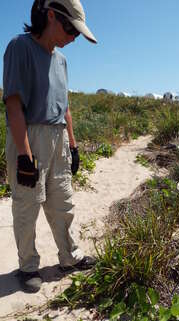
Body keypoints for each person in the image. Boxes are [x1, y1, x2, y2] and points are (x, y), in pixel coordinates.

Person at [3, 0, 98, 293]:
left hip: (58, 140)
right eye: (71, 29)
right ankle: (28, 266)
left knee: (63, 202)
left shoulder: (61, 60)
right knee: (27, 206)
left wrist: (73, 144)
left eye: (77, 33)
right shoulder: (20, 47)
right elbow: (14, 105)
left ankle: (70, 256)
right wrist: (24, 154)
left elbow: (65, 107)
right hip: (29, 136)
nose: (73, 38)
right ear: (51, 16)